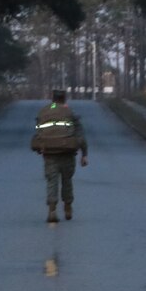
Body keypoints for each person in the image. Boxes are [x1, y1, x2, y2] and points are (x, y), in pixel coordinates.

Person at [33, 89, 88, 223]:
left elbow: (38, 131)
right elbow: (80, 135)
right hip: (67, 153)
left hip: (50, 153)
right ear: (65, 99)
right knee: (67, 180)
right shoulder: (69, 111)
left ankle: (52, 210)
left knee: (52, 181)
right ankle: (68, 206)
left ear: (53, 99)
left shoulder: (45, 110)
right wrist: (84, 154)